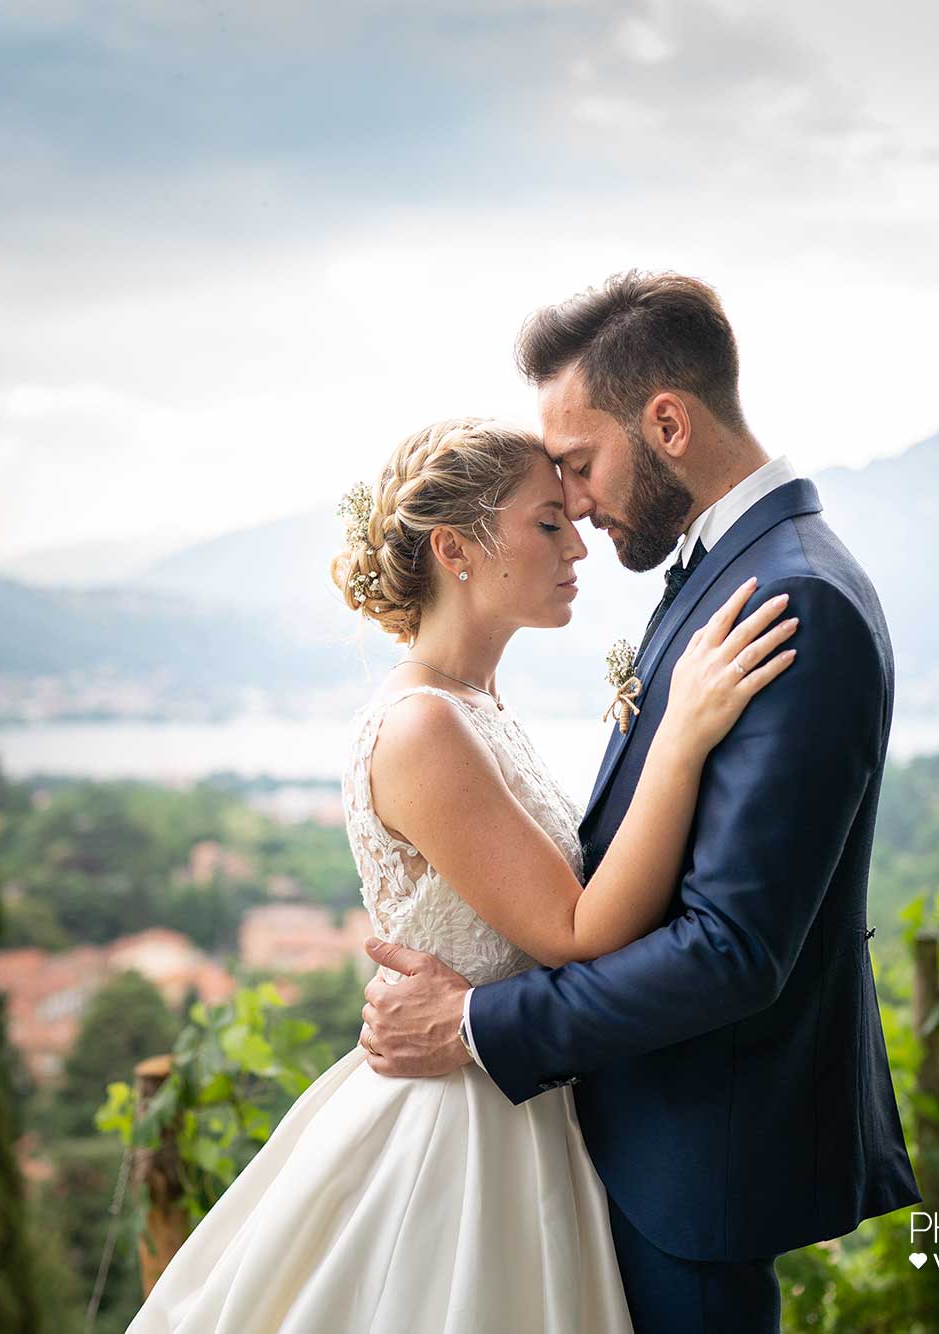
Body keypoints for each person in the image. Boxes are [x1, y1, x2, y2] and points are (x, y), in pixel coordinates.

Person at [126, 413, 799, 1332]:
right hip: (462, 1134)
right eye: (547, 524)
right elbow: (576, 931)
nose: (579, 549)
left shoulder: (474, 706)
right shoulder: (422, 728)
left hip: (520, 1103)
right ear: (458, 549)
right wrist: (679, 737)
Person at [359, 271, 922, 1332]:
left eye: (577, 462)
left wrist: (476, 1020)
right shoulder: (719, 571)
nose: (571, 501)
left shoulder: (790, 596)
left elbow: (729, 949)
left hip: (696, 1161)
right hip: (627, 1137)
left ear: (664, 421)